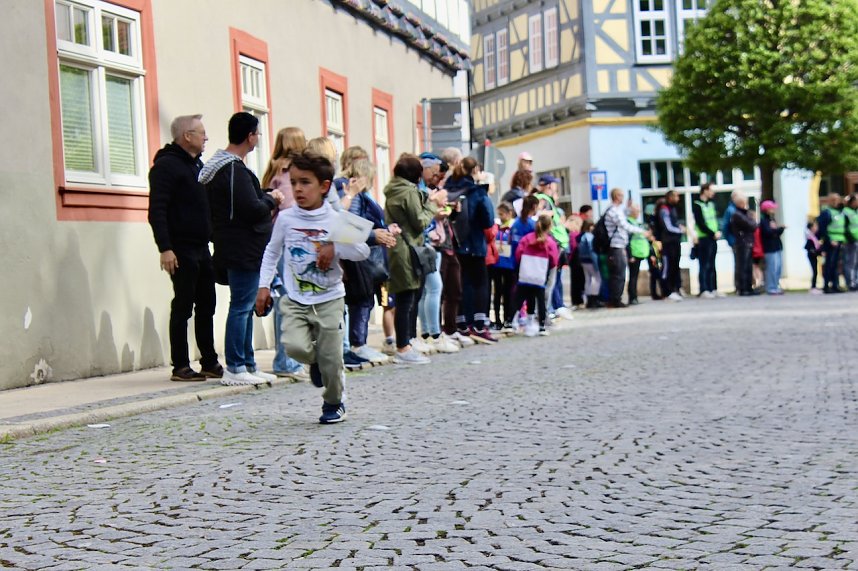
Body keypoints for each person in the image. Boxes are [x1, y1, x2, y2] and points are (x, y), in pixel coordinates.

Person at [256, 150, 369, 424]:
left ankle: (334, 402)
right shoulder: (285, 218)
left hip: (329, 298)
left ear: (324, 186)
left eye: (305, 182)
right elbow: (272, 253)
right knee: (294, 347)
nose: (297, 188)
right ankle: (314, 362)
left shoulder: (337, 218)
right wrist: (264, 286)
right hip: (295, 297)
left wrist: (334, 245)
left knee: (332, 360)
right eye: (294, 182)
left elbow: (362, 251)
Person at [199, 112, 283, 386]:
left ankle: (247, 362)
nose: (257, 139)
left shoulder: (224, 167)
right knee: (241, 306)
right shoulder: (233, 168)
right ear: (250, 136)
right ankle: (236, 366)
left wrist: (266, 195)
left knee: (244, 306)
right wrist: (272, 201)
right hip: (242, 247)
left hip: (235, 245)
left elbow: (249, 198)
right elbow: (251, 208)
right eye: (257, 134)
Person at [148, 114, 222, 382]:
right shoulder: (166, 166)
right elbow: (157, 210)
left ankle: (209, 361)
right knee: (183, 305)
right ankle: (180, 364)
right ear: (186, 136)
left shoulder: (196, 165)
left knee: (207, 304)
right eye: (201, 133)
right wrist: (165, 248)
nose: (206, 138)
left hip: (201, 247)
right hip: (180, 249)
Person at [385, 154, 448, 364]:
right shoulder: (408, 192)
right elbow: (420, 221)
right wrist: (433, 204)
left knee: (407, 297)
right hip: (407, 248)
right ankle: (403, 347)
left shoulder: (394, 189)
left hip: (400, 248)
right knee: (407, 298)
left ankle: (405, 344)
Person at [260, 126, 309, 381]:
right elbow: (291, 206)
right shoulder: (290, 172)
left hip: (275, 240)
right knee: (291, 302)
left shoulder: (272, 169)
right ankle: (287, 361)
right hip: (291, 242)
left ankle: (287, 358)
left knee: (284, 301)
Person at [339, 158, 399, 363]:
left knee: (362, 299)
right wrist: (375, 234)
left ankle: (355, 344)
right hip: (356, 253)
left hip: (360, 250)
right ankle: (357, 344)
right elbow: (351, 225)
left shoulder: (359, 194)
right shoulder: (354, 195)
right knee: (361, 299)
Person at [446, 157, 497, 343]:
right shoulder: (476, 191)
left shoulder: (449, 187)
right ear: (475, 170)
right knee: (480, 283)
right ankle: (478, 324)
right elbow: (488, 220)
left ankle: (461, 324)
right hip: (475, 244)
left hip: (454, 244)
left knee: (462, 284)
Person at [416, 153, 459, 354]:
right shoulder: (420, 189)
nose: (436, 176)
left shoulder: (424, 188)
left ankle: (427, 333)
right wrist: (436, 203)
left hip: (432, 242)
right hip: (426, 242)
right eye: (433, 172)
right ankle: (434, 334)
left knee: (428, 290)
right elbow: (422, 215)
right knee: (434, 287)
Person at [534, 174, 573, 321]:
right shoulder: (543, 199)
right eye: (554, 184)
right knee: (552, 279)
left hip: (557, 242)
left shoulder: (545, 199)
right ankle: (551, 308)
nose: (556, 187)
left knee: (555, 278)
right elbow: (542, 218)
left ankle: (556, 306)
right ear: (549, 185)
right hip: (554, 243)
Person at [514, 213, 559, 336]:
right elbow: (554, 259)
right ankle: (542, 326)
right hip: (540, 274)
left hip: (526, 273)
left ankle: (516, 321)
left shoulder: (527, 238)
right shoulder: (549, 242)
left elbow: (518, 253)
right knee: (541, 300)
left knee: (523, 297)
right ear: (549, 226)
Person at [604, 188, 650, 308]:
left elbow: (626, 215)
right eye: (621, 195)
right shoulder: (613, 211)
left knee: (620, 274)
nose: (623, 198)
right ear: (616, 196)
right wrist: (642, 231)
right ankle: (615, 300)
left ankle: (616, 299)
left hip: (619, 246)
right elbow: (624, 225)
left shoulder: (617, 210)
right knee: (618, 275)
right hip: (616, 246)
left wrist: (628, 208)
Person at [692, 182, 721, 298]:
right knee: (704, 264)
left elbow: (713, 220)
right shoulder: (697, 205)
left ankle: (713, 288)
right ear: (705, 191)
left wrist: (716, 232)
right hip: (704, 238)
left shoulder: (711, 204)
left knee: (712, 264)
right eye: (711, 190)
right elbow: (700, 223)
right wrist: (712, 233)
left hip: (713, 238)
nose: (713, 193)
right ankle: (704, 289)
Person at [490, 202, 516, 330]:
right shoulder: (497, 227)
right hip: (497, 263)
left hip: (510, 264)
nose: (500, 217)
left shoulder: (513, 227)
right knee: (497, 292)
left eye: (502, 214)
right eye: (499, 214)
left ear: (510, 213)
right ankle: (497, 319)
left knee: (508, 293)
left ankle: (508, 318)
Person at [656, 190, 685, 301]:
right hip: (668, 243)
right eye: (676, 196)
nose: (678, 199)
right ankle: (667, 291)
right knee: (667, 267)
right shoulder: (664, 209)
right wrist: (680, 230)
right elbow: (668, 227)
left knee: (675, 267)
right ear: (670, 197)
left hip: (675, 242)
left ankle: (675, 289)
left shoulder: (672, 209)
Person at [729, 192, 758, 296]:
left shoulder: (744, 213)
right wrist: (753, 219)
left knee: (748, 266)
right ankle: (743, 288)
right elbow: (752, 225)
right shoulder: (737, 214)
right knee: (743, 266)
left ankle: (749, 287)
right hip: (742, 243)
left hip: (748, 242)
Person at [817, 193, 845, 293]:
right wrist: (829, 240)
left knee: (836, 265)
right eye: (833, 199)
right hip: (830, 242)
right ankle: (826, 286)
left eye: (837, 199)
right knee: (829, 264)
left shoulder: (839, 212)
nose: (835, 201)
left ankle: (835, 285)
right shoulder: (827, 212)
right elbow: (822, 229)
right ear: (828, 201)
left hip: (839, 241)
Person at [759, 200, 785, 295]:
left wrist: (780, 230)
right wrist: (778, 229)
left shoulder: (772, 220)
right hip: (769, 248)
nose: (774, 210)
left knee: (778, 267)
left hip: (777, 246)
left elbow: (775, 233)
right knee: (771, 268)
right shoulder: (764, 221)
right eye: (772, 208)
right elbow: (769, 232)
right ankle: (770, 287)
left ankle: (776, 285)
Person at [568, 204, 593, 307]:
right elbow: (575, 246)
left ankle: (578, 300)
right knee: (578, 280)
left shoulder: (574, 234)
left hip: (575, 258)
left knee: (577, 280)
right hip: (575, 258)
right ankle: (578, 300)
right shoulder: (574, 235)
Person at [626, 204, 649, 305]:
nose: (638, 213)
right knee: (633, 276)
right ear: (632, 212)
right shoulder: (629, 222)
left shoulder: (635, 222)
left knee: (635, 276)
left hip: (638, 253)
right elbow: (628, 240)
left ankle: (634, 297)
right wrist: (630, 255)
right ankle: (632, 298)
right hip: (633, 253)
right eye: (637, 211)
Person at [577, 220, 602, 308]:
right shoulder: (590, 237)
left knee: (588, 279)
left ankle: (588, 299)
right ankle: (594, 298)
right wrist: (596, 264)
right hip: (590, 261)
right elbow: (592, 251)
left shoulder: (582, 236)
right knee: (597, 279)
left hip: (584, 261)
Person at [841, 194, 858, 291]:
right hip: (851, 242)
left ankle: (856, 282)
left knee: (856, 263)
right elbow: (845, 228)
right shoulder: (846, 212)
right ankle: (851, 283)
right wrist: (851, 239)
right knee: (850, 263)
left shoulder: (856, 212)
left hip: (856, 240)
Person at [805, 221, 822, 294]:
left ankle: (814, 286)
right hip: (812, 255)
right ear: (811, 228)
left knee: (816, 271)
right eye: (815, 226)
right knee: (814, 271)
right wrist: (814, 251)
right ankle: (813, 287)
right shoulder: (810, 236)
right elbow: (807, 247)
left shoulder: (814, 236)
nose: (816, 228)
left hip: (814, 255)